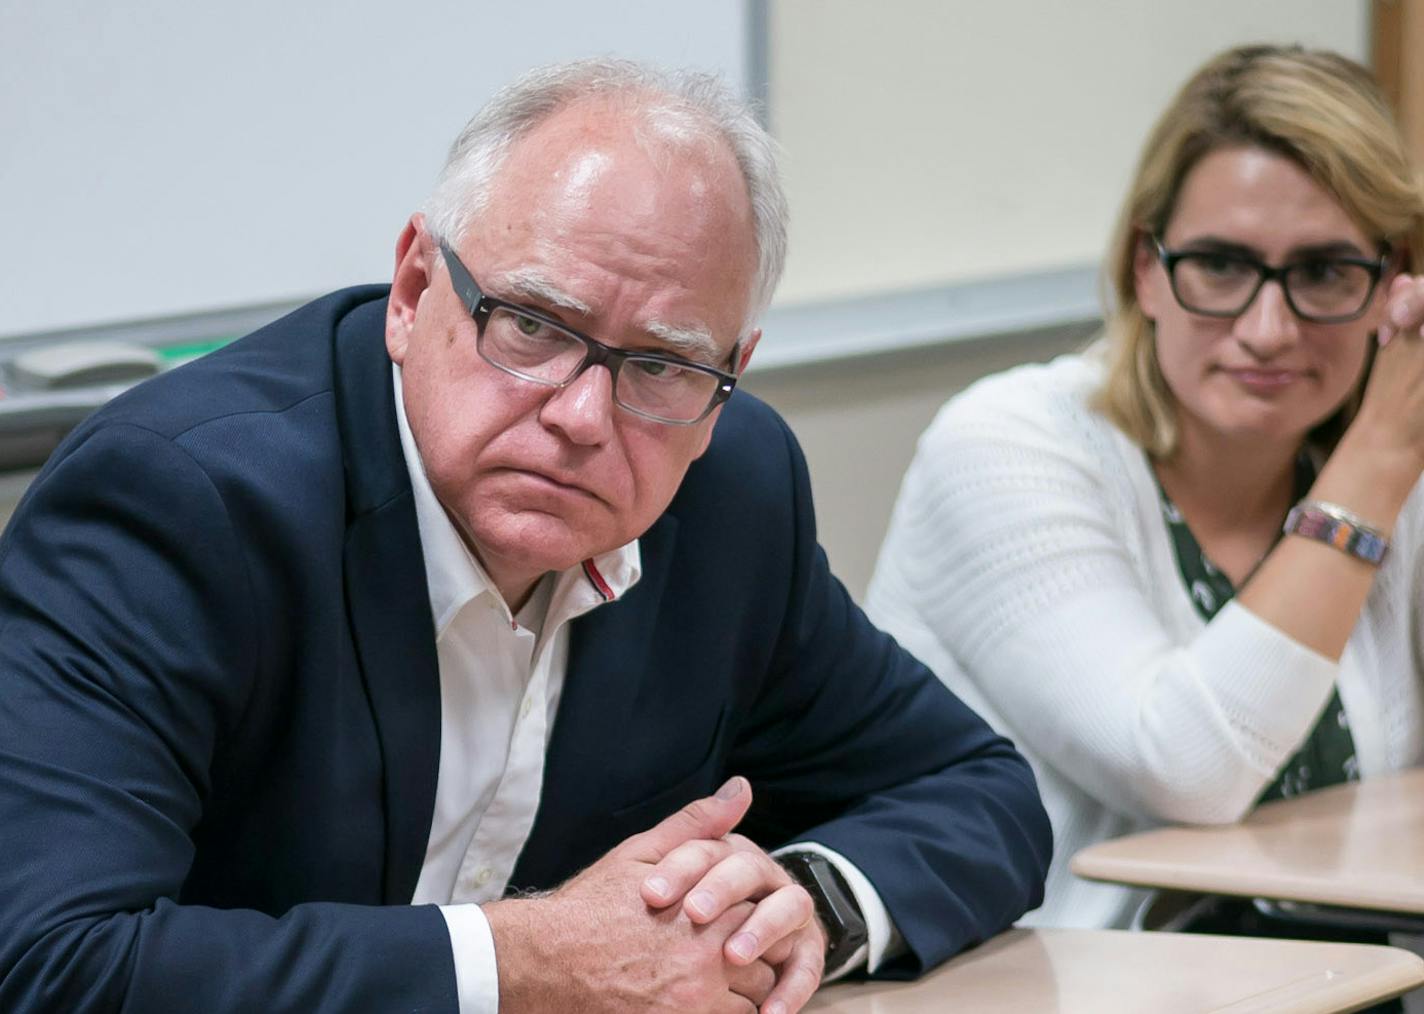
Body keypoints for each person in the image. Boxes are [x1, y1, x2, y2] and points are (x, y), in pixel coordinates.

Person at [0, 59, 1051, 1013]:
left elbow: (976, 793)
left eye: (660, 366)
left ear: (727, 378)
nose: (581, 419)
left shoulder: (731, 492)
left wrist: (801, 904)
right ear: (413, 293)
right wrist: (524, 963)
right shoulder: (182, 502)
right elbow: (54, 963)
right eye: (534, 327)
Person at [867, 44, 1424, 932]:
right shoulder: (1008, 444)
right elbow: (1187, 764)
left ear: (1389, 286)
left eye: (1323, 273)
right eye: (1222, 267)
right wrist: (1384, 459)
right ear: (1145, 269)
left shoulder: (1376, 462)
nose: (1269, 329)